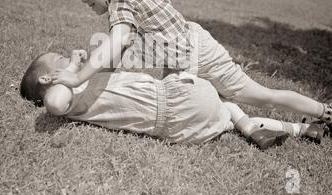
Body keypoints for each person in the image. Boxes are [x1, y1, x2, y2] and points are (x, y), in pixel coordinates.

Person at [50, 0, 331, 132]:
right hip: (184, 59)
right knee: (224, 106)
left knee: (260, 95)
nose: (83, 0)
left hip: (199, 55)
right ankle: (297, 129)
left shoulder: (121, 0)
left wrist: (77, 80)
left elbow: (117, 42)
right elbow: (122, 50)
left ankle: (324, 112)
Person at [20, 50, 326, 149]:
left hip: (180, 129)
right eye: (60, 58)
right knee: (224, 101)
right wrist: (73, 69)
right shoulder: (66, 96)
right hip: (176, 99)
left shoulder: (81, 88)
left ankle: (297, 130)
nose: (68, 58)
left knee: (228, 110)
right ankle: (251, 124)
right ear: (48, 79)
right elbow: (55, 105)